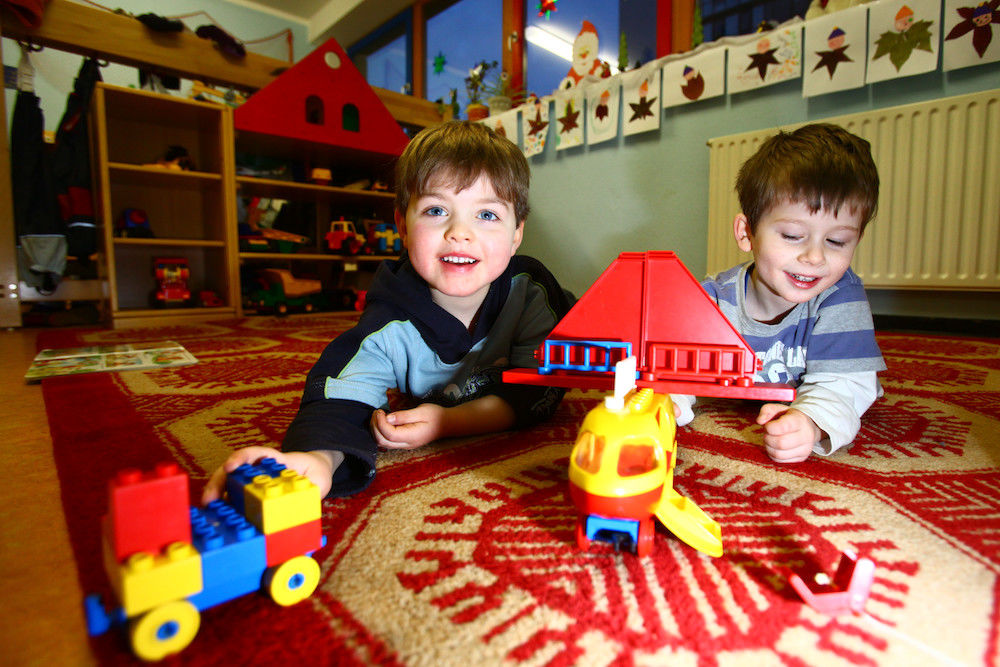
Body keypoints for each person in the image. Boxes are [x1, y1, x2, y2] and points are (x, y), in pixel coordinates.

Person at [203, 121, 573, 501]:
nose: (459, 232)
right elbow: (342, 395)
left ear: (516, 234)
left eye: (488, 215)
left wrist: (447, 422)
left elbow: (540, 390)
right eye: (435, 210)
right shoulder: (389, 319)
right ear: (402, 224)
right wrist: (315, 459)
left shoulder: (532, 292)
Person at [674, 123, 886, 463]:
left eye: (836, 241)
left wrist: (812, 422)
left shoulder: (840, 296)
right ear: (746, 233)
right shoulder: (714, 299)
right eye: (791, 235)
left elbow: (848, 384)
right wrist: (667, 401)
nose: (815, 257)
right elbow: (675, 367)